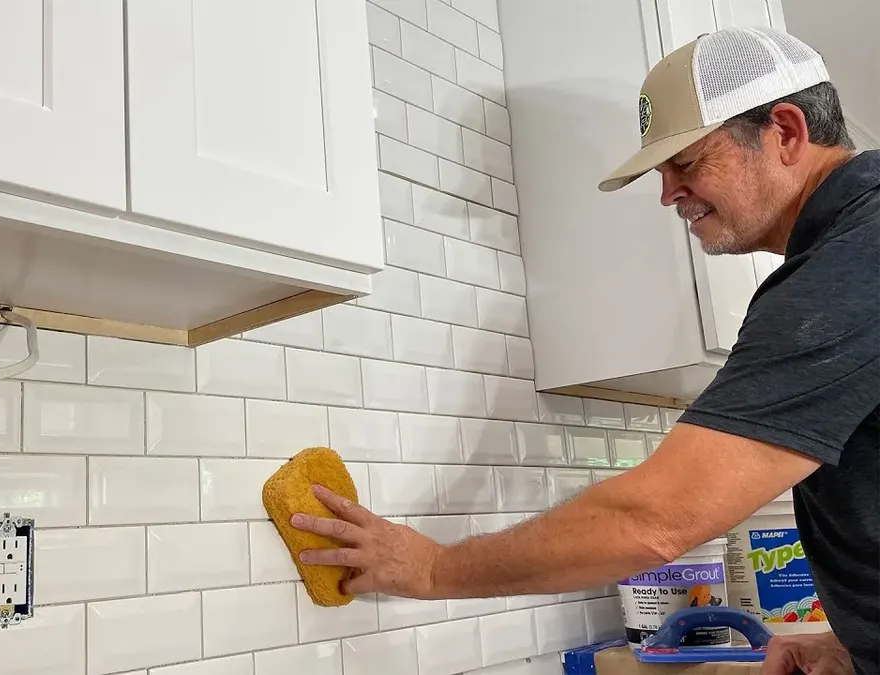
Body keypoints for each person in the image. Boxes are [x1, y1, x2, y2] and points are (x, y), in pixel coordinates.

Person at [290, 26, 878, 675]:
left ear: (787, 132)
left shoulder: (852, 262)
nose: (668, 193)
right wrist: (854, 640)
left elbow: (656, 518)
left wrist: (432, 566)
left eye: (686, 162)